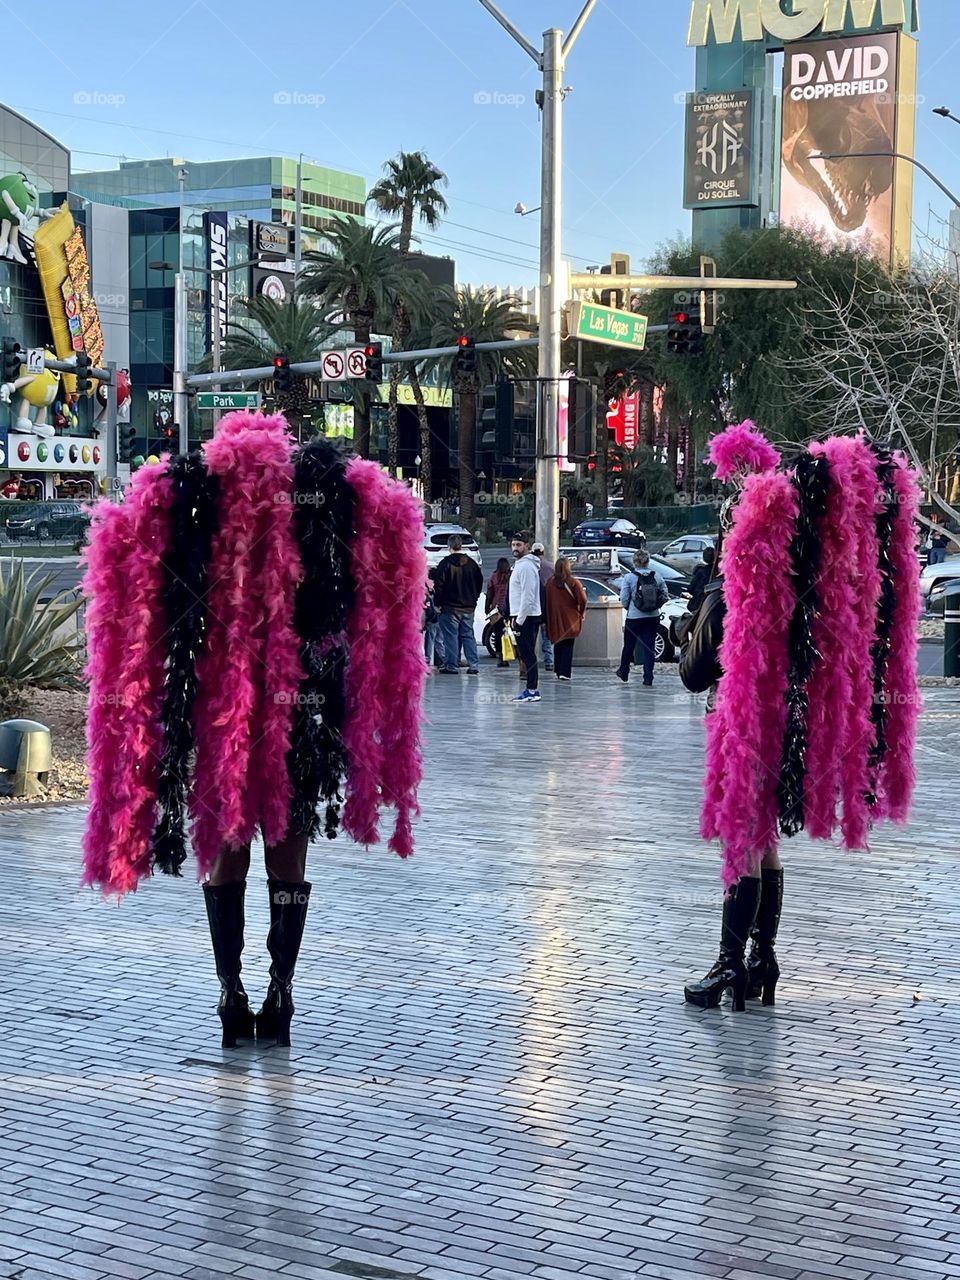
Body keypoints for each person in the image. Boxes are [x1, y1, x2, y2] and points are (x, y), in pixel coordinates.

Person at [616, 548, 667, 686]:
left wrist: (630, 608)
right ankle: (648, 677)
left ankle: (624, 671)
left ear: (634, 561)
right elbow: (665, 595)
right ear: (647, 561)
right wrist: (655, 606)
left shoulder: (629, 577)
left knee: (629, 645)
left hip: (634, 617)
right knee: (649, 646)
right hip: (653, 617)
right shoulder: (656, 576)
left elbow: (624, 598)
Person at [433, 534, 483, 675]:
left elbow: (439, 586)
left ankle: (451, 665)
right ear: (461, 545)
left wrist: (438, 603)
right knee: (468, 635)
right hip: (468, 607)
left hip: (449, 608)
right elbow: (479, 583)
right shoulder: (472, 564)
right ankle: (473, 664)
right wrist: (474, 598)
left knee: (450, 637)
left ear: (449, 547)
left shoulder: (445, 564)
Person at [508, 530, 542, 703]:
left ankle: (532, 690)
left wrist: (519, 621)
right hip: (522, 615)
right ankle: (531, 689)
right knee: (525, 654)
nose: (515, 548)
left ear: (527, 546)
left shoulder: (526, 567)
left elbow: (528, 596)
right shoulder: (521, 565)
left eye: (519, 545)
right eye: (513, 545)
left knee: (528, 655)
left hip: (526, 617)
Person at [546, 558, 587, 681]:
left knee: (558, 643)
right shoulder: (573, 582)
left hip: (554, 618)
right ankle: (565, 672)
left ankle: (558, 669)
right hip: (570, 618)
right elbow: (583, 599)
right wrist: (581, 612)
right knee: (568, 645)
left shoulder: (549, 583)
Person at [531, 541, 555, 671]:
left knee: (532, 635)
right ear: (543, 552)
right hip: (547, 606)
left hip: (533, 605)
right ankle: (549, 661)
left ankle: (530, 661)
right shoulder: (551, 566)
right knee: (546, 635)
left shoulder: (529, 566)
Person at [485, 556, 512, 667]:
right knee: (510, 633)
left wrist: (487, 609)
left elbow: (489, 594)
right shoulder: (511, 576)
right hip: (510, 608)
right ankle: (510, 654)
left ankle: (501, 657)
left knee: (498, 633)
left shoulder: (493, 577)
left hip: (496, 609)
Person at [423, 567, 444, 670]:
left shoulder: (427, 587)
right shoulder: (441, 585)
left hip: (432, 619)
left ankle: (427, 660)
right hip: (441, 617)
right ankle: (441, 660)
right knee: (439, 640)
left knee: (429, 641)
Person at [689, 545, 715, 610]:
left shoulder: (700, 571)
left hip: (700, 602)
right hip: (712, 603)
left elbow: (691, 588)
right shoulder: (717, 571)